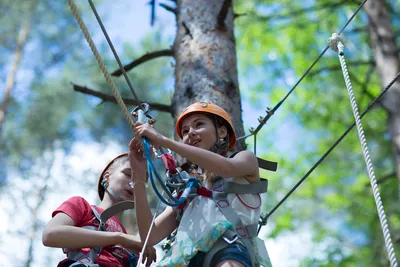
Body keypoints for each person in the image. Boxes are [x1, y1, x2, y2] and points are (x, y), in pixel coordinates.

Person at [129, 101, 268, 267]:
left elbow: (227, 168)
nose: (190, 133)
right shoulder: (188, 190)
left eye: (199, 124)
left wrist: (162, 140)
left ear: (222, 132)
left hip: (229, 250)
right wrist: (138, 176)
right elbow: (150, 237)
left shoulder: (245, 159)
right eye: (185, 131)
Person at [42, 153, 157, 267]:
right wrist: (119, 238)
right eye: (128, 174)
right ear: (107, 177)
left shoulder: (131, 241)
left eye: (140, 182)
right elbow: (50, 234)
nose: (133, 184)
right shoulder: (82, 206)